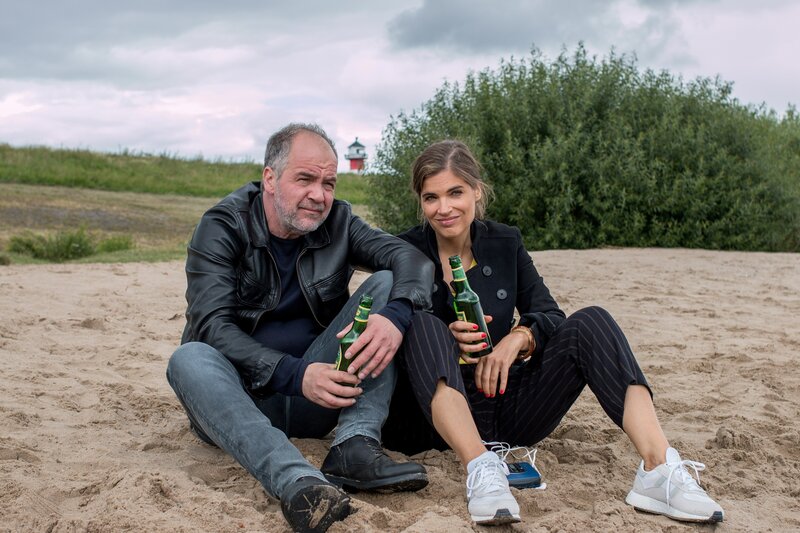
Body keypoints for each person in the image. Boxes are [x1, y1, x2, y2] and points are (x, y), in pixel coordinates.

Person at [384, 140, 724, 526]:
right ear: (421, 202)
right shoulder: (403, 250)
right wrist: (445, 335)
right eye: (431, 197)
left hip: (504, 408)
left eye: (455, 192)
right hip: (428, 420)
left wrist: (519, 338)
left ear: (477, 190)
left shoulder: (505, 241)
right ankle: (481, 468)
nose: (443, 208)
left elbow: (548, 312)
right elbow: (389, 328)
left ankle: (658, 468)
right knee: (422, 324)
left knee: (592, 320)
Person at [166, 123, 434, 533]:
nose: (319, 195)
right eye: (305, 178)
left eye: (328, 182)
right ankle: (298, 481)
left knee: (385, 286)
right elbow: (211, 326)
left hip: (320, 395)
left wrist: (395, 316)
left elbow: (412, 260)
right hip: (237, 401)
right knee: (188, 357)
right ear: (270, 179)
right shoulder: (223, 226)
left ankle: (353, 446)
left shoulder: (339, 221)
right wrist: (294, 374)